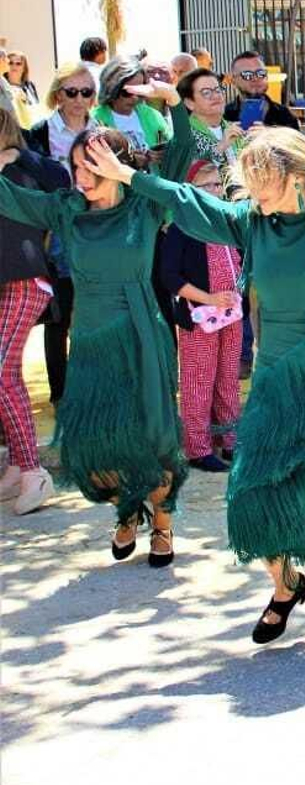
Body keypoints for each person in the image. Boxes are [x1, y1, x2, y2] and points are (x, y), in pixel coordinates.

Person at [85, 31, 305, 653]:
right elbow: (184, 199)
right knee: (256, 489)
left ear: (292, 175)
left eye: (259, 175)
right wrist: (128, 173)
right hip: (275, 372)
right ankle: (286, 582)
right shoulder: (250, 223)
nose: (248, 186)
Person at [0, 77, 190, 566]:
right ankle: (126, 511)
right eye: (76, 166)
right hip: (88, 338)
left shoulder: (145, 206)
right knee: (99, 439)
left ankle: (163, 524)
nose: (80, 177)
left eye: (91, 168)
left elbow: (180, 155)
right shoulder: (67, 209)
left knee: (152, 433)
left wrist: (173, 102)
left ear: (117, 167)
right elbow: (10, 198)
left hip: (140, 332)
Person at [0, 106, 69, 515]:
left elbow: (60, 181)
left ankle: (33, 470)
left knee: (3, 372)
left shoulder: (24, 167)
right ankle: (16, 465)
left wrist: (17, 156)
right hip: (7, 281)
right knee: (7, 374)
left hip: (27, 280)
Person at [23, 63, 102, 404]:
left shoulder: (101, 130)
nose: (78, 99)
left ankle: (93, 387)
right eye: (71, 91)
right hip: (56, 236)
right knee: (60, 316)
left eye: (86, 92)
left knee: (95, 314)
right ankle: (61, 393)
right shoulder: (39, 133)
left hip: (97, 232)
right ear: (57, 94)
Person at [158, 159, 244, 471]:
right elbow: (169, 275)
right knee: (198, 379)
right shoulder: (182, 227)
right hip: (200, 314)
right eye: (204, 185)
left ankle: (230, 440)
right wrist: (209, 297)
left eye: (216, 184)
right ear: (190, 191)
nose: (212, 190)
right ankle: (198, 448)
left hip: (232, 314)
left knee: (227, 378)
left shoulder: (228, 221)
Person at [93, 58, 173, 153]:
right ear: (111, 88)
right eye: (127, 92)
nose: (134, 98)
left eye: (139, 92)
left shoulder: (153, 116)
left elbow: (172, 148)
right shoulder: (94, 120)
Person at [225, 51, 300, 130]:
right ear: (233, 81)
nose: (255, 79)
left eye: (260, 73)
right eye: (247, 75)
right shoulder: (224, 116)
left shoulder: (285, 116)